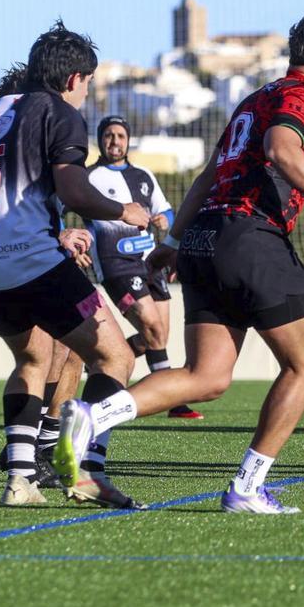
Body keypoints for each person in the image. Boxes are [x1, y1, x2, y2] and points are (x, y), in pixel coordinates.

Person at [56, 16, 304, 514]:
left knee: (207, 376)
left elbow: (211, 174)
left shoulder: (254, 100)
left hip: (206, 238)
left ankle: (93, 417)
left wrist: (179, 240)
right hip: (251, 237)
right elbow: (282, 149)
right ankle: (248, 486)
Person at [0, 22, 150, 508]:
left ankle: (20, 480)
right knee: (116, 358)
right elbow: (73, 189)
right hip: (32, 259)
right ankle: (86, 471)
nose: (85, 92)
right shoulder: (59, 113)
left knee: (32, 360)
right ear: (72, 79)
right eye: (87, 82)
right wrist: (122, 210)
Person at [87, 114, 201, 419]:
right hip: (116, 266)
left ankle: (103, 363)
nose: (114, 141)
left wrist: (166, 220)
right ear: (100, 140)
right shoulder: (90, 177)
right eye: (108, 135)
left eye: (120, 136)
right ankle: (172, 402)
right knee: (152, 326)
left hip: (150, 263)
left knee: (158, 334)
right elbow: (59, 208)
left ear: (128, 140)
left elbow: (165, 211)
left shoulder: (143, 176)